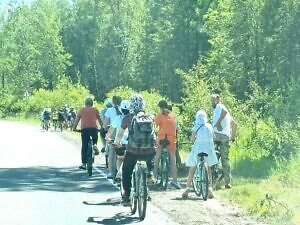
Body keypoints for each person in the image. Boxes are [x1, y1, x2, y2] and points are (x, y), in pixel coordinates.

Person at [114, 94, 156, 206]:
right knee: (150, 155)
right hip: (149, 151)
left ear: (131, 105)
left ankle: (127, 197)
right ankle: (150, 174)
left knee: (126, 173)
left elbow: (120, 134)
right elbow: (154, 134)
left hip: (133, 151)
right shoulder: (150, 117)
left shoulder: (128, 118)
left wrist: (117, 144)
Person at [182, 110, 218, 199]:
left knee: (193, 166)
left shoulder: (196, 127)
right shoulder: (210, 126)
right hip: (208, 149)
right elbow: (214, 138)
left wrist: (193, 140)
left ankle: (187, 187)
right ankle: (209, 187)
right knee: (208, 167)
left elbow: (192, 139)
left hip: (198, 149)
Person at [153, 100, 181, 189]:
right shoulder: (173, 115)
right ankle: (175, 180)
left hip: (161, 137)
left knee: (157, 155)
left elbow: (154, 127)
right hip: (172, 138)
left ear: (161, 108)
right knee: (173, 157)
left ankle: (153, 176)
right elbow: (175, 127)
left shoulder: (160, 115)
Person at [211, 94, 235, 189]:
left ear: (218, 100)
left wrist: (217, 123)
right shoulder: (222, 110)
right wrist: (233, 136)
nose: (212, 102)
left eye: (213, 100)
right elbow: (234, 124)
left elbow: (224, 112)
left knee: (211, 154)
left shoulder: (219, 106)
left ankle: (211, 177)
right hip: (225, 136)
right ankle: (227, 182)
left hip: (218, 135)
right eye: (211, 101)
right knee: (225, 159)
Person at [72, 97, 102, 170]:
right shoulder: (95, 109)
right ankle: (94, 145)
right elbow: (99, 119)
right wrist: (102, 127)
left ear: (85, 103)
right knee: (95, 138)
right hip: (93, 129)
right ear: (92, 103)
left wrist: (74, 128)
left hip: (84, 129)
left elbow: (77, 119)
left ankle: (83, 164)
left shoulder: (81, 110)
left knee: (84, 146)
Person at [105, 100, 130, 181]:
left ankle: (119, 174)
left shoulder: (117, 118)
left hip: (119, 143)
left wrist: (108, 138)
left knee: (120, 158)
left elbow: (109, 133)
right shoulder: (133, 118)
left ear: (121, 109)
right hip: (131, 143)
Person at [103, 96, 122, 179]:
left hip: (113, 131)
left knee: (111, 150)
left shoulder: (109, 110)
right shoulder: (123, 109)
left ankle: (110, 172)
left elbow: (105, 124)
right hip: (122, 132)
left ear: (113, 102)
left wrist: (105, 127)